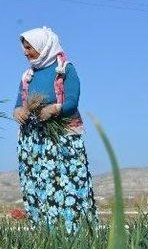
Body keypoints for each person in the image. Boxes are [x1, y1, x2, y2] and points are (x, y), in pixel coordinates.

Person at [13, 26, 97, 232]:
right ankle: (43, 231)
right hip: (34, 141)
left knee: (66, 183)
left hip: (61, 138)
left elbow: (72, 100)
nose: (25, 52)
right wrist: (18, 113)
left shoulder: (65, 69)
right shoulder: (27, 76)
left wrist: (55, 109)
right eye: (24, 48)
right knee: (38, 184)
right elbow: (17, 104)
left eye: (29, 48)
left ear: (43, 46)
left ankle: (74, 232)